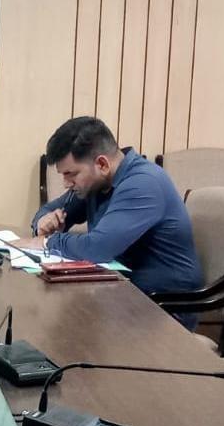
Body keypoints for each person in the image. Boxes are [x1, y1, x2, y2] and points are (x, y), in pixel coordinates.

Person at [15, 116, 203, 328]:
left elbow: (97, 248)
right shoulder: (97, 183)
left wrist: (46, 242)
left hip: (162, 308)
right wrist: (42, 222)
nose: (66, 184)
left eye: (71, 174)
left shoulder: (143, 183)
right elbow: (50, 209)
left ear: (102, 164)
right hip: (119, 293)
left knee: (59, 327)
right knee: (47, 319)